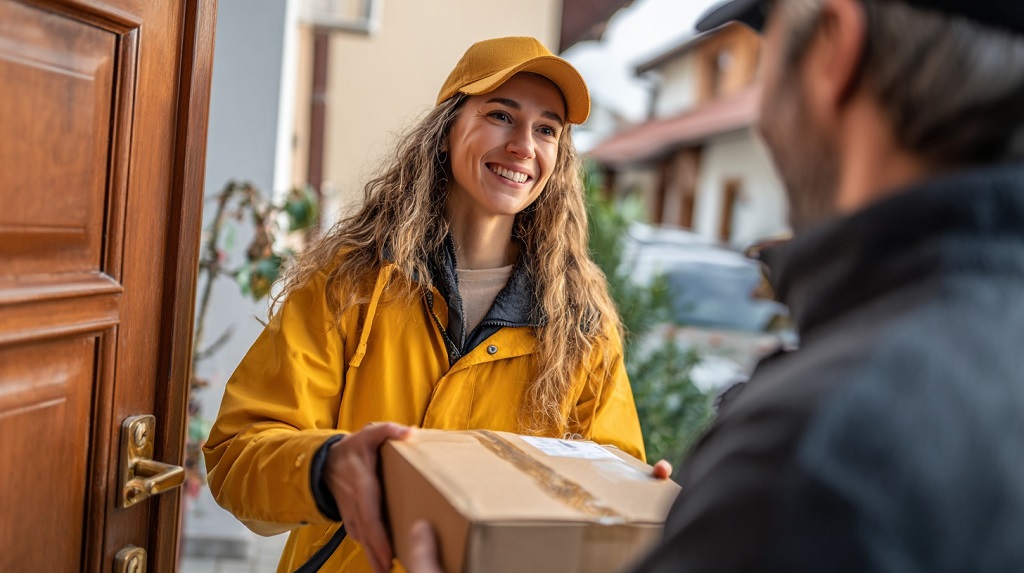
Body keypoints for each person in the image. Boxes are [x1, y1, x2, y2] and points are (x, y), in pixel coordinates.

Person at [403, 0, 1024, 571]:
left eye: (767, 49)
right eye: (501, 115)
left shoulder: (813, 450)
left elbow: (606, 460)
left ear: (834, 49)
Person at [203, 37, 654, 573]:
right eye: (501, 115)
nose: (523, 146)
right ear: (446, 132)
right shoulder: (350, 284)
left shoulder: (580, 323)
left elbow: (606, 482)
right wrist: (327, 468)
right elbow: (238, 453)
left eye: (547, 129)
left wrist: (632, 491)